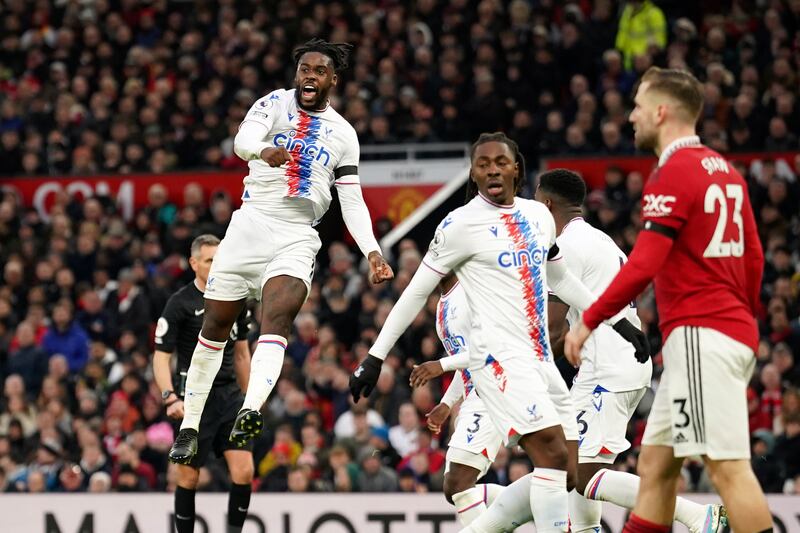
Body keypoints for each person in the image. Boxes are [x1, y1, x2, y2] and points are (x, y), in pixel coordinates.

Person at [350, 132, 645, 533]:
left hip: (539, 361)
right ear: (473, 174)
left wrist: (616, 319)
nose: (492, 169)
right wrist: (375, 356)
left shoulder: (538, 217)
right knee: (554, 457)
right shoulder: (458, 226)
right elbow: (414, 294)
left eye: (500, 162)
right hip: (497, 363)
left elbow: (562, 276)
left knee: (571, 473)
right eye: (483, 163)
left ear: (516, 170)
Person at [565, 67, 771, 533]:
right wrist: (743, 322)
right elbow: (753, 258)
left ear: (661, 112)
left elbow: (644, 263)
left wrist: (588, 321)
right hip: (721, 334)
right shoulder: (727, 172)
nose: (630, 115)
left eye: (637, 105)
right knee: (656, 471)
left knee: (728, 470)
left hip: (703, 335)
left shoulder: (671, 172)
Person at [169, 39, 393, 463]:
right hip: (249, 224)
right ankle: (189, 427)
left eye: (319, 71)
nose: (309, 75)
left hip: (297, 233)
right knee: (215, 326)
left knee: (278, 317)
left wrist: (373, 252)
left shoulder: (344, 134)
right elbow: (242, 139)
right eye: (304, 68)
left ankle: (250, 409)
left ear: (333, 79)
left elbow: (352, 198)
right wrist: (263, 150)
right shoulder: (273, 103)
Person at [538, 169, 725, 533]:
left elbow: (554, 329)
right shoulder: (603, 241)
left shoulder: (567, 249)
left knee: (580, 471)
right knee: (580, 470)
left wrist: (532, 373)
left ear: (546, 204)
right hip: (622, 362)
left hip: (605, 369)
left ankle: (696, 515)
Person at [153, 235, 253, 533]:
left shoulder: (236, 297)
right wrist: (170, 397)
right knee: (188, 478)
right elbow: (161, 357)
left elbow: (242, 353)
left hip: (230, 396)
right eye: (210, 260)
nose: (216, 265)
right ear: (194, 263)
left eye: (220, 259)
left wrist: (250, 401)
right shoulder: (180, 303)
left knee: (244, 471)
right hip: (194, 400)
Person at [409, 272, 505, 527]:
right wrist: (447, 403)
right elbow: (467, 361)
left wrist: (440, 365)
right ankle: (545, 499)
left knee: (458, 484)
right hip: (475, 391)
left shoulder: (472, 291)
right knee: (454, 488)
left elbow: (489, 350)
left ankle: (549, 502)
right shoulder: (443, 303)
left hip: (496, 387)